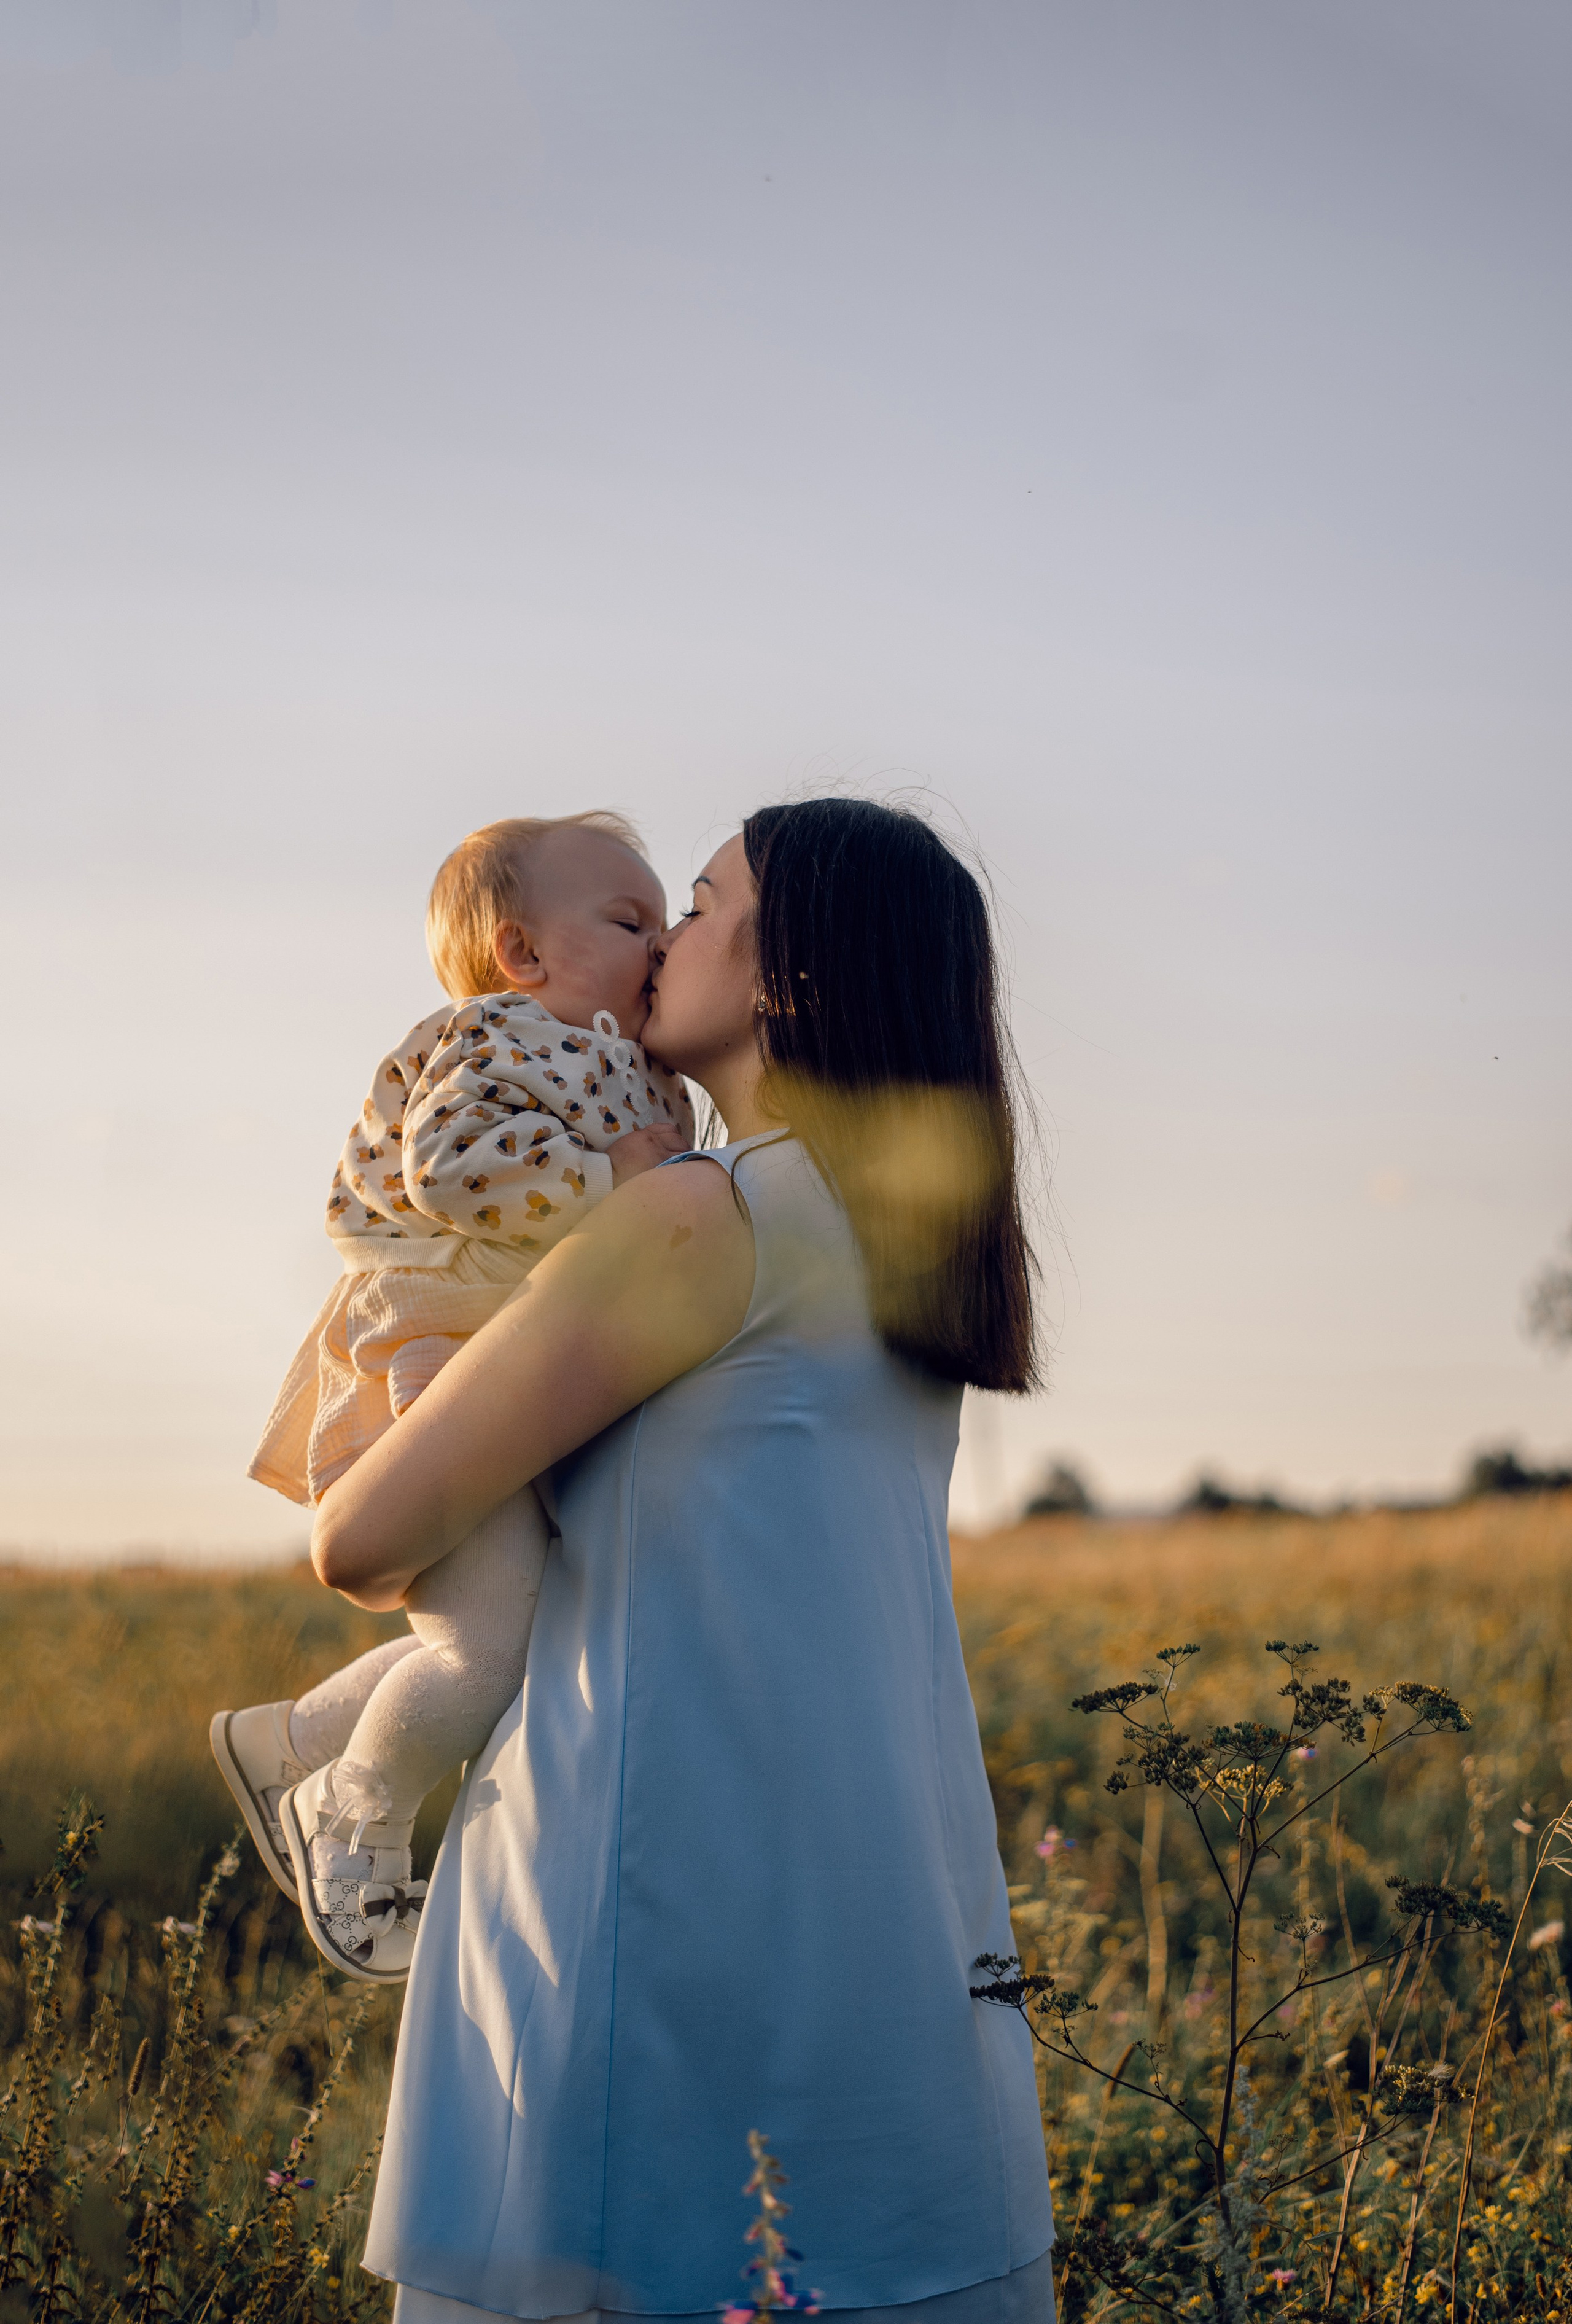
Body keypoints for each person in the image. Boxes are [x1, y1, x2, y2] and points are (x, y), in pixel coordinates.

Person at [312, 798, 1057, 2323]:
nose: (659, 943)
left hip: (630, 1898)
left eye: (700, 906)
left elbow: (362, 1537)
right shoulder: (906, 1245)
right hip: (884, 1906)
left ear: (789, 976)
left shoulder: (690, 1214)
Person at [212, 813, 691, 1979]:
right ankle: (352, 1820)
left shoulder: (620, 1061)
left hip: (504, 1347)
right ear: (524, 954)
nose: (663, 941)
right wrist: (614, 1182)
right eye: (632, 921)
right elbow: (454, 1166)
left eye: (671, 919)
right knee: (488, 1648)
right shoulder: (505, 1031)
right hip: (433, 1341)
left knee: (505, 1628)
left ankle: (293, 1740)